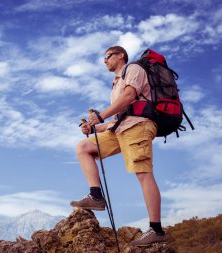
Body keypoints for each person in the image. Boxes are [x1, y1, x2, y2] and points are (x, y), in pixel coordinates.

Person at [70, 45, 166, 246]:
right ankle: (96, 196)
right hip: (121, 128)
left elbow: (129, 97)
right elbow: (118, 118)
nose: (104, 60)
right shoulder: (116, 83)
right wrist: (94, 128)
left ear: (120, 55)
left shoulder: (133, 69)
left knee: (143, 173)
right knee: (84, 147)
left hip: (138, 125)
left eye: (107, 56)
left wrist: (99, 116)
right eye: (103, 58)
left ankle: (156, 229)